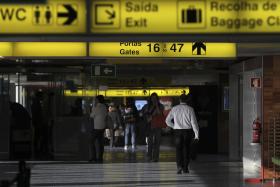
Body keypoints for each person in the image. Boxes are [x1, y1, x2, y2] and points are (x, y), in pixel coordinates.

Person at [165, 94, 199, 174]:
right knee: (186, 150)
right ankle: (185, 168)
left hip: (177, 132)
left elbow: (167, 121)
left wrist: (174, 126)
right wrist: (197, 135)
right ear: (187, 100)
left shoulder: (174, 109)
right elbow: (194, 123)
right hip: (187, 131)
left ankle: (179, 167)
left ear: (179, 100)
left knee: (178, 150)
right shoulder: (190, 109)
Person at [143, 92, 165, 162]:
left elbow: (159, 113)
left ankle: (155, 157)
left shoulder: (161, 106)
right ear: (150, 99)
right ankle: (149, 156)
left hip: (158, 126)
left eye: (155, 98)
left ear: (157, 99)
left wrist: (156, 106)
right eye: (152, 98)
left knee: (157, 142)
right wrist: (151, 114)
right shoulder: (147, 106)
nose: (154, 100)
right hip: (150, 126)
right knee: (150, 142)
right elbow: (145, 114)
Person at [89, 95, 107, 163]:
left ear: (98, 100)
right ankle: (100, 157)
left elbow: (91, 115)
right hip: (102, 127)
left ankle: (93, 157)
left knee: (91, 141)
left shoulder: (97, 107)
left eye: (95, 99)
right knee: (100, 142)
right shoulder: (104, 107)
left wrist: (93, 105)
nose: (95, 101)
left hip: (97, 127)